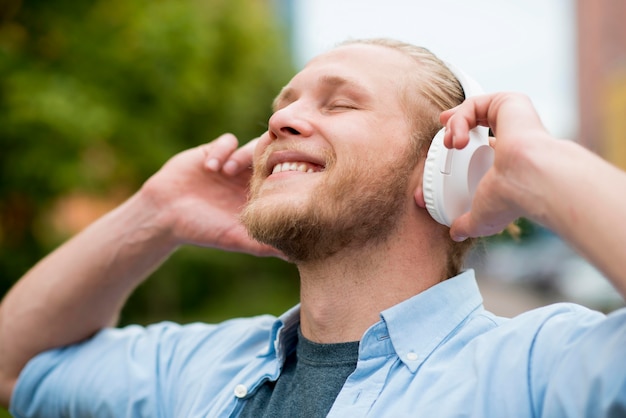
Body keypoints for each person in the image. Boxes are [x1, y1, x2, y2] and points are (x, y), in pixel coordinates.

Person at [1, 37, 625, 417]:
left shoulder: (536, 372)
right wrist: (154, 213)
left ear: (444, 165)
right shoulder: (200, 369)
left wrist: (540, 165)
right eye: (283, 106)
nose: (282, 121)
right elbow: (13, 366)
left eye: (339, 103)